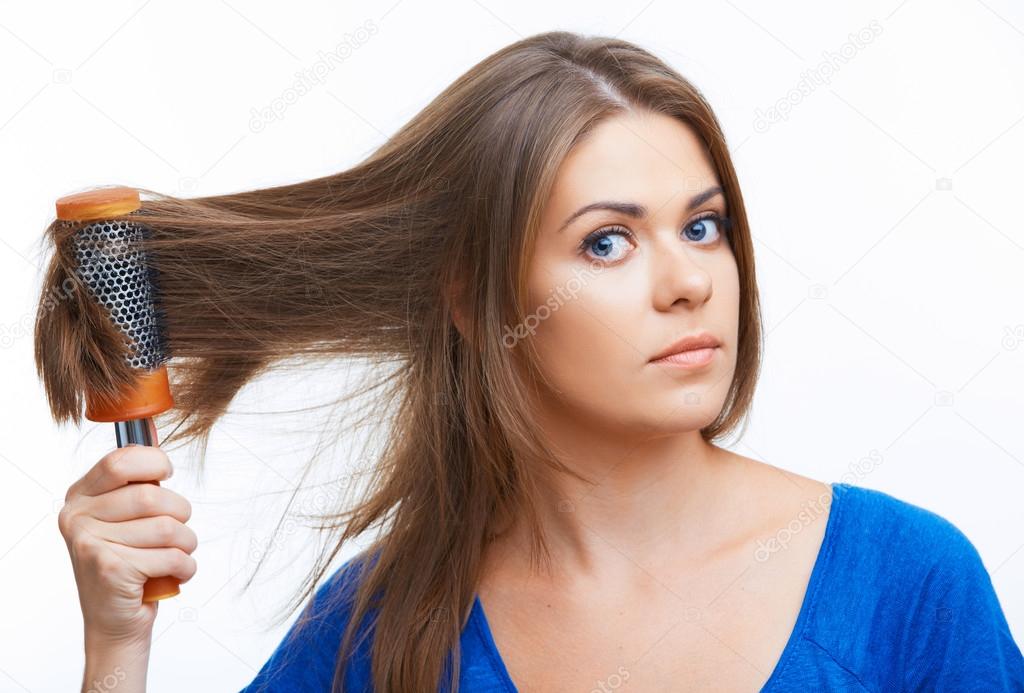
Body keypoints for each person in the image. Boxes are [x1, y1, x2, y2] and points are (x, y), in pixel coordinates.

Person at [42, 31, 1024, 692]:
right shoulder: (387, 626)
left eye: (704, 224)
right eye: (607, 242)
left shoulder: (904, 581)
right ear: (474, 298)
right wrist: (117, 646)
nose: (688, 281)